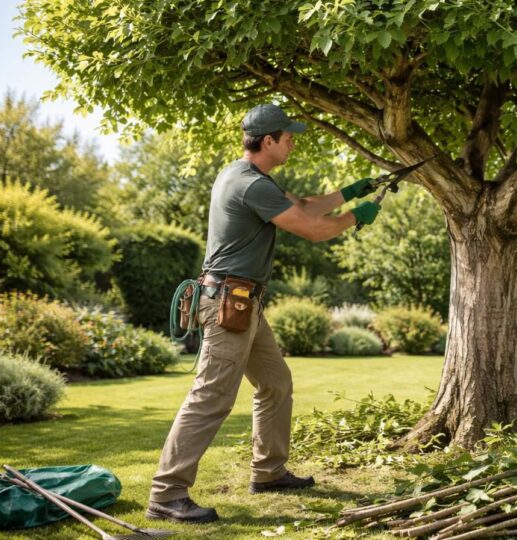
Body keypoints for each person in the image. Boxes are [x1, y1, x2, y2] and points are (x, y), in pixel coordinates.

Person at [146, 104, 381, 523]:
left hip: (244, 302)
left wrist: (351, 191)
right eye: (287, 135)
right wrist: (354, 218)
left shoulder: (248, 178)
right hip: (228, 304)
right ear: (267, 140)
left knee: (275, 382)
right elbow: (312, 228)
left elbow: (305, 206)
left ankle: (269, 472)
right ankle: (167, 494)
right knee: (211, 395)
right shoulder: (250, 185)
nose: (292, 141)